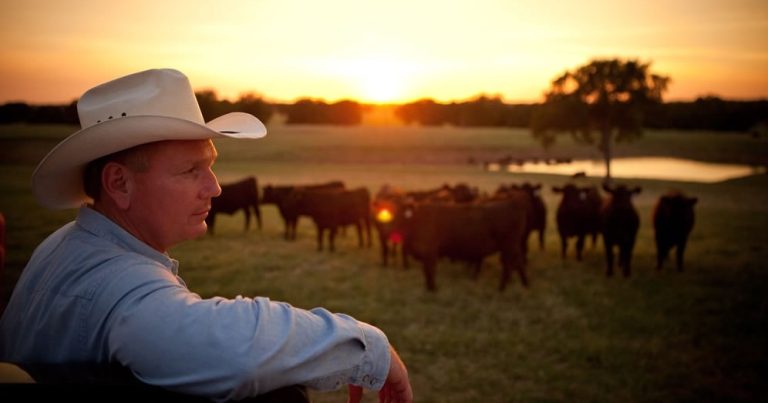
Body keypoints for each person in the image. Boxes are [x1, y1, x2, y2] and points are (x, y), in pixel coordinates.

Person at [0, 68, 412, 403]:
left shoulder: (59, 245)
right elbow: (233, 350)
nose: (214, 188)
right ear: (119, 184)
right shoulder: (123, 284)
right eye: (190, 170)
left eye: (210, 166)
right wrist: (369, 345)